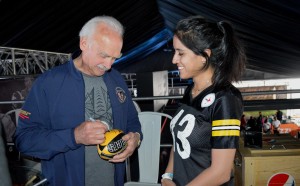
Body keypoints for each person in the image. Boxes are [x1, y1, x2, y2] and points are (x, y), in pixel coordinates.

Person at [14, 16, 142, 186]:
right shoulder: (49, 83)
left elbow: (133, 122)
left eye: (114, 57)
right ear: (84, 43)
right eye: (103, 55)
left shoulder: (116, 79)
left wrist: (136, 138)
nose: (109, 65)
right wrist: (74, 136)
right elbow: (24, 140)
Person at [162, 16, 246, 186]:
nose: (174, 59)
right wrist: (167, 177)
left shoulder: (226, 99)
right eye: (174, 52)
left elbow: (221, 172)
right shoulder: (190, 90)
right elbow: (179, 142)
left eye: (181, 53)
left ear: (204, 55)